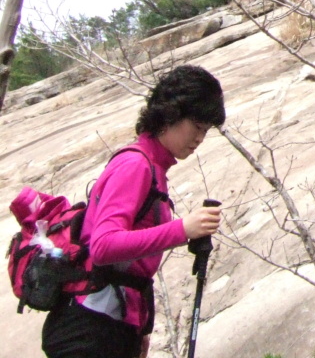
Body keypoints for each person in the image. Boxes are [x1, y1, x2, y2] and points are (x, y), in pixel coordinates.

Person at [41, 65, 226, 358]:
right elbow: (103, 246)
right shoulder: (135, 166)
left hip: (109, 324)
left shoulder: (154, 169)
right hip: (89, 328)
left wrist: (138, 329)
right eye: (198, 126)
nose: (200, 138)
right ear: (171, 114)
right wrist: (181, 230)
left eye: (206, 130)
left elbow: (133, 268)